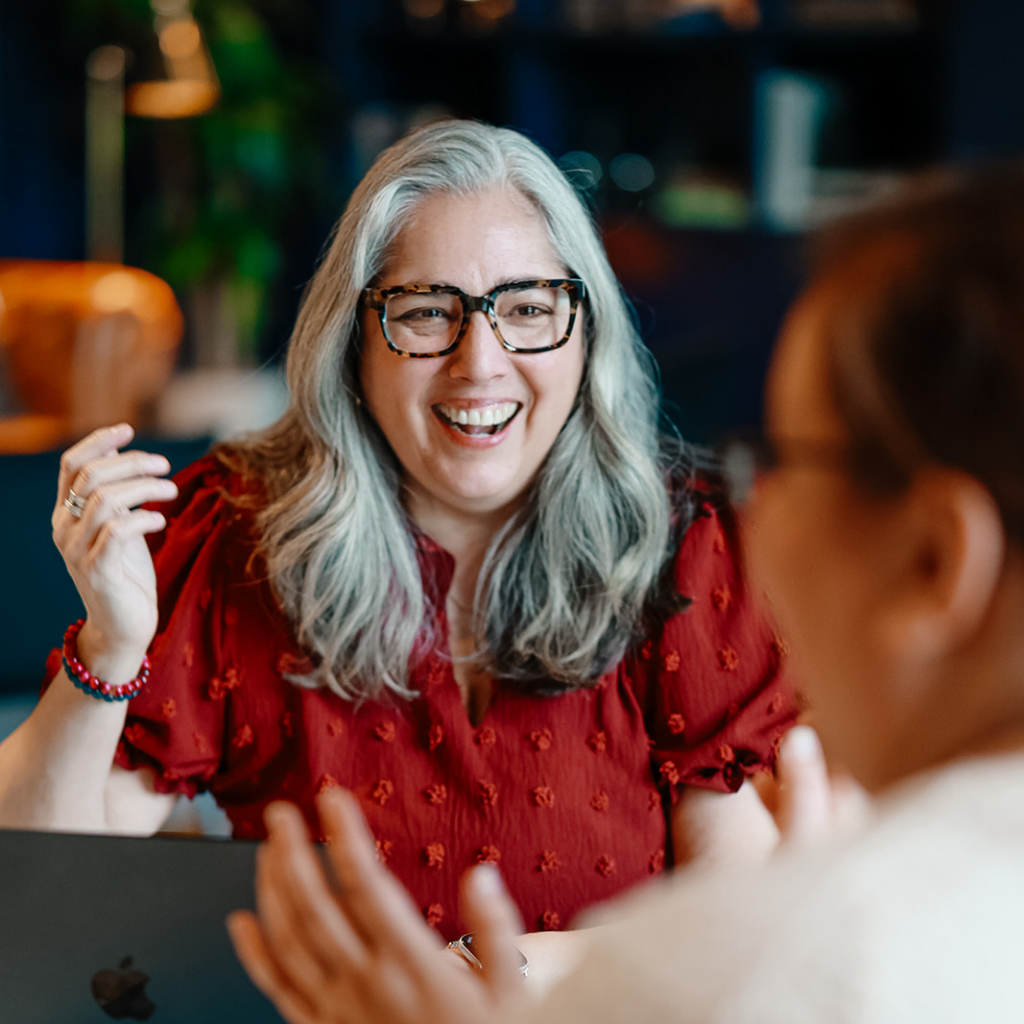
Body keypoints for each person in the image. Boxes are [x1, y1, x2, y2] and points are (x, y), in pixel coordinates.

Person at [227, 159, 1024, 1024]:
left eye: (785, 459)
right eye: (426, 312)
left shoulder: (795, 971)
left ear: (936, 561)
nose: (755, 513)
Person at [0, 120, 796, 956]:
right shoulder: (237, 536)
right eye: (425, 313)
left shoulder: (685, 549)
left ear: (585, 332)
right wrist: (112, 646)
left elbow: (732, 932)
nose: (479, 362)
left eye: (528, 309)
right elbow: (34, 888)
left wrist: (529, 981)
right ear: (353, 343)